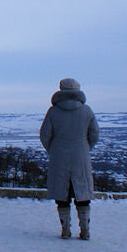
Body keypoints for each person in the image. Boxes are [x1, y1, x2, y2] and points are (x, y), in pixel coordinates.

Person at [40, 78, 100, 240]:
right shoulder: (87, 111)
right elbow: (94, 134)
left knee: (62, 194)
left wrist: (53, 150)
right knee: (82, 194)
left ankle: (65, 229)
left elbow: (45, 135)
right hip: (81, 154)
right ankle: (85, 229)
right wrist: (85, 149)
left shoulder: (53, 111)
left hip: (59, 155)